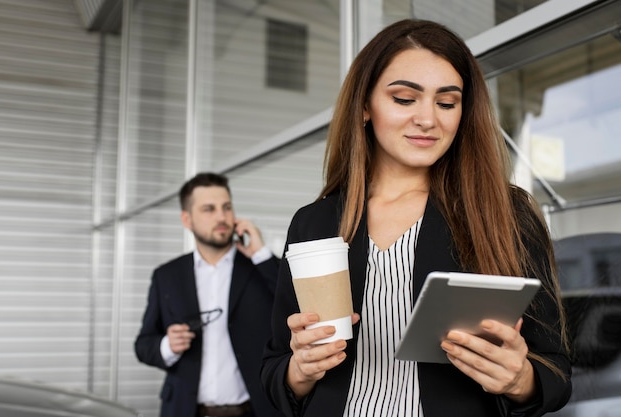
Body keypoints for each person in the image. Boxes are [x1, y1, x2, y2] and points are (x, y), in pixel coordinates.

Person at [261, 19, 572, 417]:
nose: (428, 119)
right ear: (363, 108)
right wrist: (299, 371)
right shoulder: (313, 223)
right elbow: (273, 367)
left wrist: (519, 380)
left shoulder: (504, 214)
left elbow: (556, 373)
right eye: (405, 99)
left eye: (447, 103)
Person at [135, 172, 284, 417]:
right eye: (209, 209)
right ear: (187, 219)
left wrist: (262, 254)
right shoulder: (166, 276)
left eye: (227, 207)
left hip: (255, 411)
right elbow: (143, 344)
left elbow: (295, 303)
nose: (222, 217)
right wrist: (167, 346)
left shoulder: (261, 267)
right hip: (185, 410)